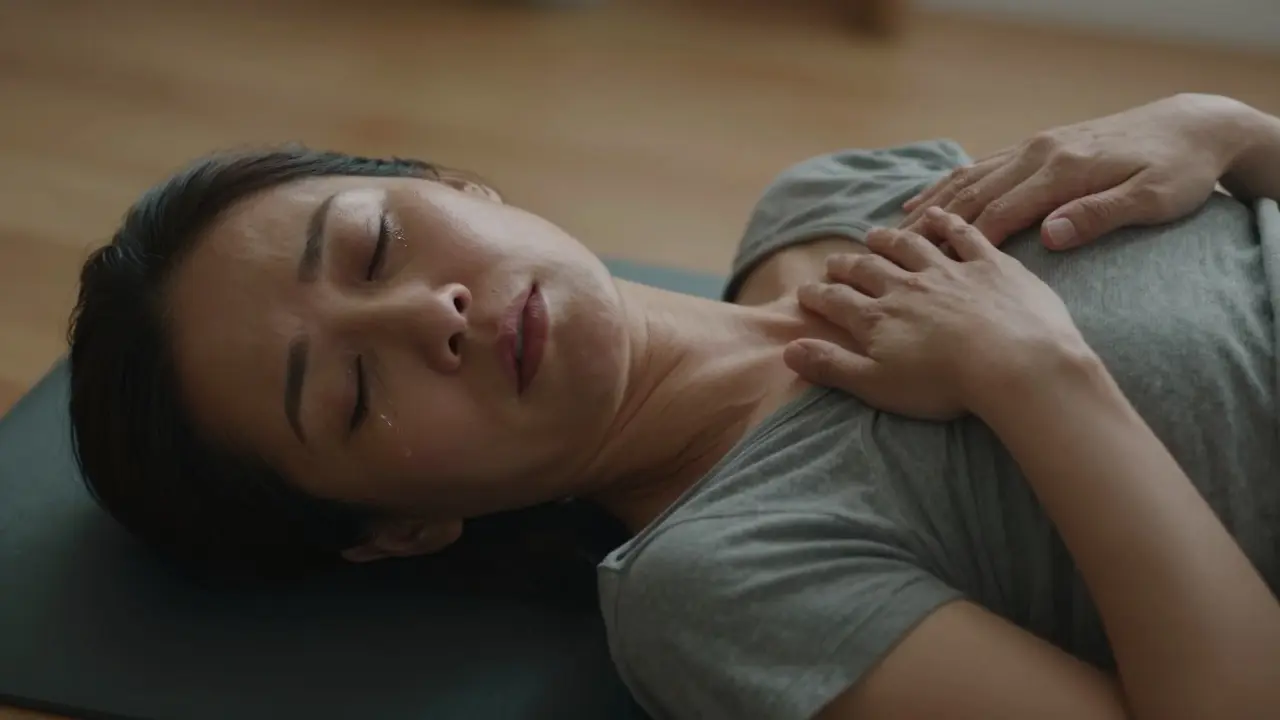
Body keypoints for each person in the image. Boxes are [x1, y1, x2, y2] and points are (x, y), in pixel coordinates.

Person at [66, 92, 1280, 719]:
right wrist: (1031, 375)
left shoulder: (842, 196)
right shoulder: (719, 584)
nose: (422, 316)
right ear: (396, 531)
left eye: (376, 244)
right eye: (348, 391)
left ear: (454, 183)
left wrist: (1224, 130)